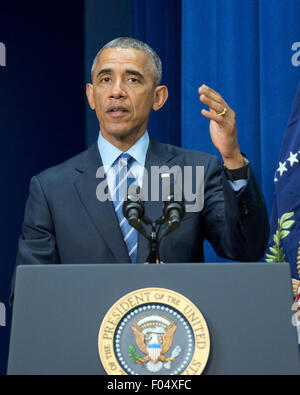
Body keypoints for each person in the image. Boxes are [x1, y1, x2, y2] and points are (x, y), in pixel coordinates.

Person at [13, 37, 269, 277]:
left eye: (132, 80)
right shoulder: (51, 189)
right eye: (105, 80)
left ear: (159, 97)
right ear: (91, 96)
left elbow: (246, 249)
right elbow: (32, 295)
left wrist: (232, 157)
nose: (116, 92)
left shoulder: (196, 171)